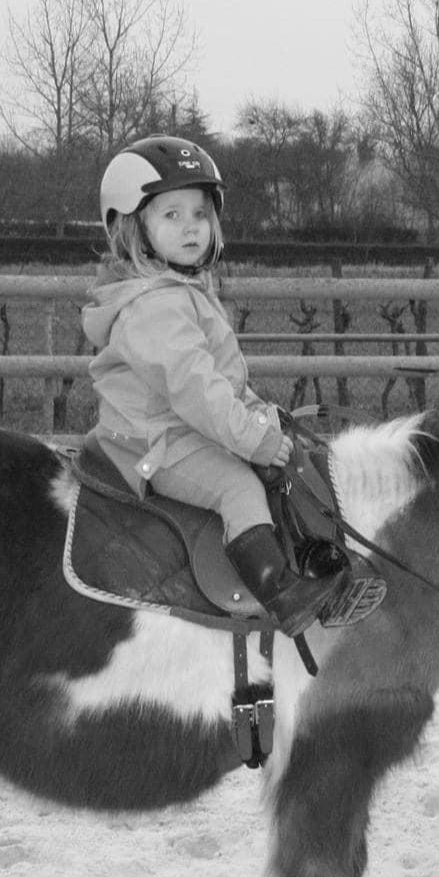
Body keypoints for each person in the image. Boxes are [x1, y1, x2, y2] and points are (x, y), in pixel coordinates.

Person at [82, 135, 333, 631]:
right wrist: (251, 439)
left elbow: (224, 380)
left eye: (199, 213)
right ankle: (282, 594)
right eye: (171, 215)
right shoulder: (154, 306)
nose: (191, 226)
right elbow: (196, 388)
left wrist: (261, 417)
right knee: (238, 487)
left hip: (183, 428)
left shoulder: (183, 291)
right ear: (133, 227)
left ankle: (310, 555)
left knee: (280, 464)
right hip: (156, 442)